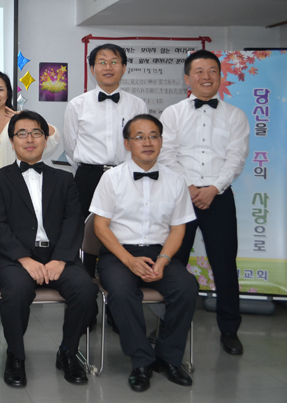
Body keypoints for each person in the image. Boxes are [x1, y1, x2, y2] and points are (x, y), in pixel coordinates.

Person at [0, 110, 98, 388]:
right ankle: (16, 356)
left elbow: (74, 221)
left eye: (36, 133)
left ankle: (68, 352)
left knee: (85, 289)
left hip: (59, 256)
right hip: (15, 259)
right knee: (16, 291)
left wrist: (61, 259)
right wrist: (24, 258)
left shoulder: (64, 179)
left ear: (46, 140)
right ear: (12, 141)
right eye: (22, 133)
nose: (30, 139)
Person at [90, 114, 198, 392]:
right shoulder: (111, 178)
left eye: (153, 136)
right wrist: (129, 260)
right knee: (122, 292)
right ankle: (141, 361)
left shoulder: (176, 180)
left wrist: (163, 260)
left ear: (161, 141)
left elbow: (178, 229)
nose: (147, 142)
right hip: (119, 253)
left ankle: (168, 358)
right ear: (127, 144)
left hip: (160, 254)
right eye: (139, 137)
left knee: (186, 288)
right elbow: (100, 227)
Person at [159, 50, 249, 355]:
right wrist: (190, 187)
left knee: (224, 264)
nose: (206, 76)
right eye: (199, 71)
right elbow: (166, 154)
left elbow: (236, 157)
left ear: (220, 76)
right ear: (187, 78)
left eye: (212, 71)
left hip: (219, 197)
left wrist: (213, 188)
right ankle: (168, 324)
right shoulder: (172, 113)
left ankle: (229, 329)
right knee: (173, 263)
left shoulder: (235, 115)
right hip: (180, 197)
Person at [63, 44, 148, 277]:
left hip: (126, 176)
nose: (108, 67)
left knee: (125, 231)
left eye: (114, 62)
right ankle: (85, 289)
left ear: (124, 67)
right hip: (88, 177)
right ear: (92, 69)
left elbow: (141, 145)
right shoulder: (77, 105)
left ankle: (120, 287)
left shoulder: (137, 105)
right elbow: (70, 146)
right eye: (101, 62)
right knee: (84, 235)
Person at [0, 71, 60, 174]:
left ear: (8, 93)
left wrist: (28, 118)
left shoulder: (19, 123)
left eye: (0, 90)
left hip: (22, 182)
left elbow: (54, 136)